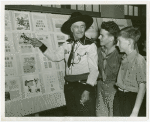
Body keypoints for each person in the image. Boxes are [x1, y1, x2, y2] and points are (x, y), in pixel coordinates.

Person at [30, 12, 99, 116]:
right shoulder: (67, 44)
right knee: (73, 116)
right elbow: (55, 56)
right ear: (71, 29)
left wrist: (87, 90)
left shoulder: (90, 46)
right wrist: (41, 45)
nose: (80, 30)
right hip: (69, 87)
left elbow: (94, 70)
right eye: (76, 27)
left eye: (82, 27)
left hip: (84, 86)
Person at [113, 26, 146, 117]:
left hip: (131, 99)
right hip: (119, 96)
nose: (116, 44)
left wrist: (135, 111)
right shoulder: (124, 57)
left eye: (119, 41)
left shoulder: (139, 60)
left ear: (129, 42)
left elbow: (142, 87)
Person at [96, 21, 122, 116]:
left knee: (114, 115)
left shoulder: (120, 53)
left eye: (102, 35)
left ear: (111, 38)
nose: (99, 37)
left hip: (114, 89)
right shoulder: (98, 51)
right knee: (100, 115)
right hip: (100, 87)